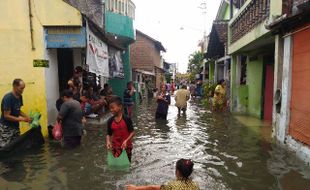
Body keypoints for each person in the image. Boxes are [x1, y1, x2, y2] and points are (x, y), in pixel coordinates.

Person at [126, 159, 199, 190]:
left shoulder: (172, 185)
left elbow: (153, 187)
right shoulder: (196, 185)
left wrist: (135, 188)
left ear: (178, 172)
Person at [0, 79, 32, 148]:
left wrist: (27, 117)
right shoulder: (8, 98)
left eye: (23, 88)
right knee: (4, 147)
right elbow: (6, 116)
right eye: (21, 88)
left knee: (16, 145)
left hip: (15, 127)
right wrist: (22, 119)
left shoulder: (20, 97)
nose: (22, 90)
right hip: (6, 127)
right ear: (14, 86)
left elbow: (18, 110)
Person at [106, 97, 135, 162]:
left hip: (126, 147)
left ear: (120, 107)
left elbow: (132, 132)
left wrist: (126, 141)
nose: (111, 110)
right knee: (116, 163)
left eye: (113, 108)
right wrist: (108, 141)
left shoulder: (126, 119)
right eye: (110, 108)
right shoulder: (110, 121)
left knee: (127, 164)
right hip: (115, 147)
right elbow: (108, 134)